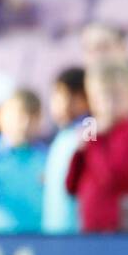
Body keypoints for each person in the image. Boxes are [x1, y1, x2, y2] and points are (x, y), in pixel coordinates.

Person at [67, 59, 128, 232]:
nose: (108, 103)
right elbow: (71, 185)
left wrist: (95, 141)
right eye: (100, 96)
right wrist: (79, 151)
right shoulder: (91, 128)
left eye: (116, 95)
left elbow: (111, 177)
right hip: (91, 226)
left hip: (122, 228)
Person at [0, 90, 48, 234]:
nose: (25, 123)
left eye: (32, 117)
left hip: (43, 239)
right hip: (6, 241)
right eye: (20, 116)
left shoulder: (45, 156)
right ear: (1, 117)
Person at [43, 67, 89, 234]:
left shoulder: (89, 127)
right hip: (55, 227)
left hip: (77, 230)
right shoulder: (62, 133)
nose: (53, 102)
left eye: (59, 95)